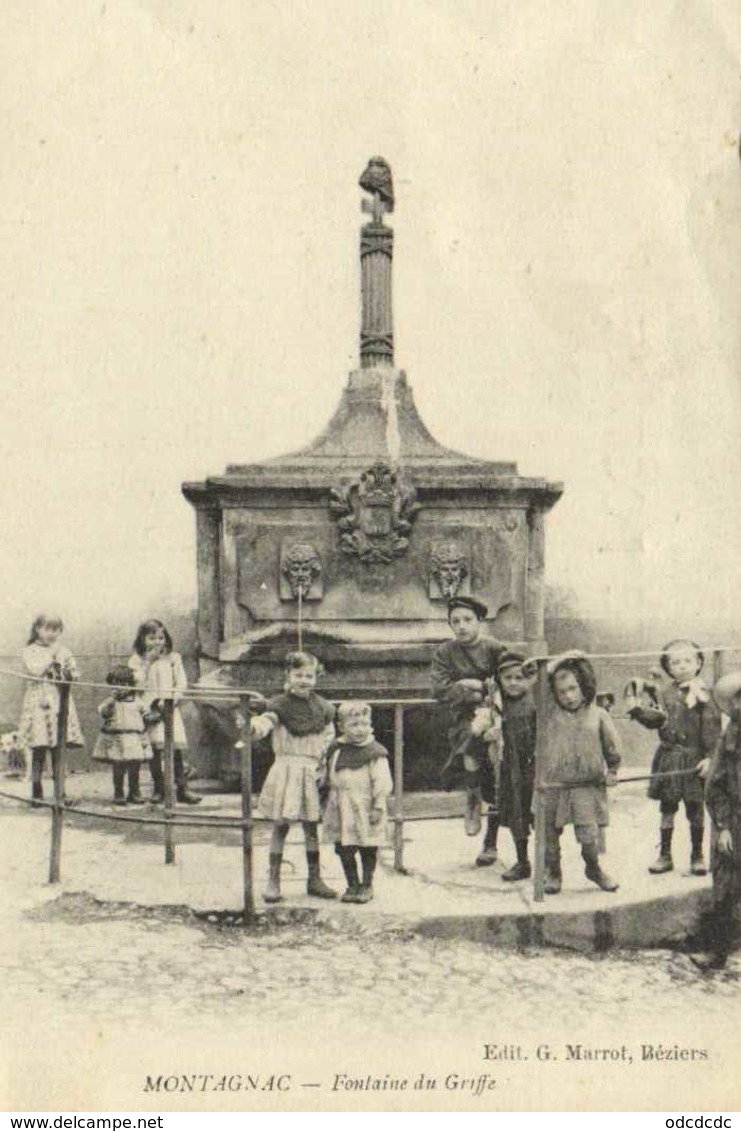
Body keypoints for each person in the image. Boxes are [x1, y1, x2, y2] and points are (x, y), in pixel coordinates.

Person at [626, 639, 720, 876]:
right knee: (667, 807)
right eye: (675, 662)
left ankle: (697, 855)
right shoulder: (664, 693)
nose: (682, 666)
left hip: (693, 760)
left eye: (688, 660)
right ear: (668, 667)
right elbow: (656, 719)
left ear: (698, 663)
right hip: (669, 757)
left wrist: (710, 757)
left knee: (695, 808)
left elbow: (713, 730)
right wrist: (638, 710)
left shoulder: (706, 696)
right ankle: (665, 855)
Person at [251, 651, 337, 903]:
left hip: (311, 771)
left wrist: (323, 764)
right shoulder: (279, 705)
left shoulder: (323, 708)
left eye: (309, 675)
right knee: (281, 825)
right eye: (298, 674)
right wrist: (254, 727)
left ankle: (314, 878)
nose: (304, 680)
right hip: (287, 770)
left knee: (311, 827)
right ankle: (273, 879)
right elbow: (266, 722)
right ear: (287, 676)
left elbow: (328, 738)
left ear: (316, 678)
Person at [431, 596, 506, 866]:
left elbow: (508, 681)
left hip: (497, 715)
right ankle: (473, 797)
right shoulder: (445, 653)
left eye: (467, 620)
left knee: (498, 772)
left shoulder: (495, 648)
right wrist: (469, 687)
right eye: (455, 621)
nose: (461, 626)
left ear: (479, 621)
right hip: (463, 718)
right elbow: (439, 690)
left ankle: (491, 842)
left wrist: (479, 687)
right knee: (471, 752)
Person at [543, 652, 621, 894]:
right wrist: (563, 660)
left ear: (584, 686)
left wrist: (613, 770)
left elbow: (612, 747)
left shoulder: (598, 714)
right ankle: (554, 872)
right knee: (549, 836)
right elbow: (541, 680)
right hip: (553, 785)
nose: (567, 696)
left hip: (587, 786)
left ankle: (593, 868)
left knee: (589, 836)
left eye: (572, 689)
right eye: (561, 691)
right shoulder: (549, 712)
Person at [690, 670, 741, 970]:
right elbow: (716, 786)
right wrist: (722, 826)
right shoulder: (730, 735)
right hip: (734, 821)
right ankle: (717, 952)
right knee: (724, 889)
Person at [322, 701, 392, 904]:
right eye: (354, 725)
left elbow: (382, 781)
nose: (360, 729)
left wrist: (378, 805)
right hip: (341, 806)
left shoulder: (375, 752)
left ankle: (367, 884)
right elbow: (329, 775)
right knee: (344, 846)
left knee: (367, 845)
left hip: (365, 805)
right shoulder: (336, 749)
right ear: (342, 727)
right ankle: (352, 884)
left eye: (364, 724)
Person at [128, 619, 201, 804]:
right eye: (152, 638)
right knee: (154, 751)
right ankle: (159, 788)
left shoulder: (173, 658)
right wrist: (148, 662)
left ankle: (182, 788)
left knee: (175, 750)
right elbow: (137, 684)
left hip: (169, 709)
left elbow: (181, 683)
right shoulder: (137, 659)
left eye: (161, 637)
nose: (157, 642)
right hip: (149, 709)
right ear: (142, 639)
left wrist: (171, 701)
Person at [18, 614, 84, 806]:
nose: (52, 634)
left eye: (56, 630)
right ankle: (36, 793)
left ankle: (59, 793)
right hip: (39, 703)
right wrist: (52, 657)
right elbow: (35, 670)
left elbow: (74, 671)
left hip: (58, 701)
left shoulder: (64, 650)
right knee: (39, 749)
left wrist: (70, 673)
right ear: (37, 629)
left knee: (58, 749)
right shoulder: (30, 651)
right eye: (47, 629)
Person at [495, 651, 537, 881]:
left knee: (539, 813)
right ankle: (523, 862)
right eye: (507, 677)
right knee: (515, 814)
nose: (512, 682)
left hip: (533, 765)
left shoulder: (534, 702)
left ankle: (549, 863)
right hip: (511, 768)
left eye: (518, 677)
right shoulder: (498, 703)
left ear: (528, 679)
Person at [92, 666, 152, 805]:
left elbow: (146, 713)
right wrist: (111, 701)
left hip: (134, 739)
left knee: (134, 768)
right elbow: (104, 713)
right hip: (118, 739)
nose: (119, 688)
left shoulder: (137, 701)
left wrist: (150, 717)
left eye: (124, 684)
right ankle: (118, 793)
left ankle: (135, 793)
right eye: (115, 684)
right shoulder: (111, 702)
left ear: (131, 686)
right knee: (118, 768)